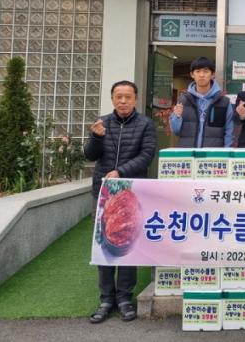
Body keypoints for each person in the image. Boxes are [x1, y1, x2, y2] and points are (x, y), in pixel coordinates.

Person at [85, 80, 156, 324]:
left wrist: (121, 172)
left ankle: (125, 298)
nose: (123, 101)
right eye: (119, 96)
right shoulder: (102, 122)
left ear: (135, 99)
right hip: (104, 192)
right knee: (103, 245)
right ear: (112, 99)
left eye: (128, 97)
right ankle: (106, 299)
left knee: (128, 242)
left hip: (131, 191)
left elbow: (146, 155)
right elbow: (90, 155)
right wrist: (95, 138)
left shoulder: (145, 124)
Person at [169, 56, 234, 148]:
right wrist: (177, 117)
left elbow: (229, 132)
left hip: (213, 154)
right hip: (188, 153)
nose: (201, 75)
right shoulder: (183, 100)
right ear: (192, 74)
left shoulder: (224, 102)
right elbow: (176, 131)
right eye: (198, 71)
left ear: (212, 75)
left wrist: (226, 153)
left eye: (206, 71)